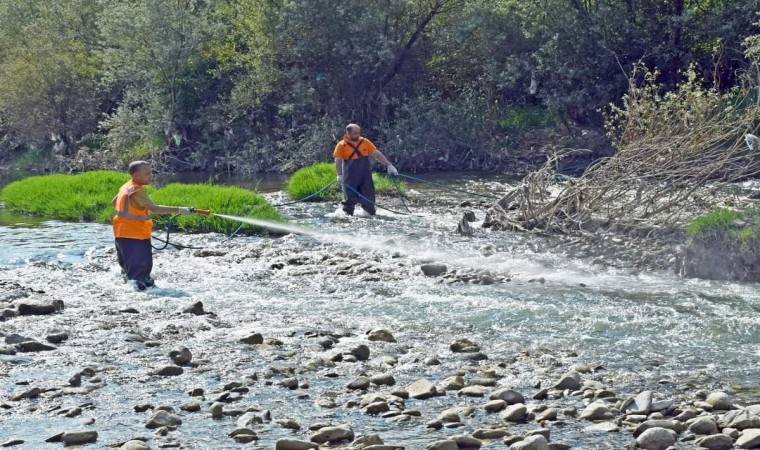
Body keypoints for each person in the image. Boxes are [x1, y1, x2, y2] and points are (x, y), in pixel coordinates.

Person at [112, 161, 194, 290]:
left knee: (128, 270)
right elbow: (155, 208)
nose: (151, 175)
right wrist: (180, 210)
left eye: (151, 172)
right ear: (136, 175)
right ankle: (144, 296)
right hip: (135, 237)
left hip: (121, 234)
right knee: (141, 272)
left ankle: (132, 292)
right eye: (147, 173)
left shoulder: (126, 187)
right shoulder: (137, 191)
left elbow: (114, 202)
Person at [333, 124, 398, 216]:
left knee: (369, 199)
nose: (358, 135)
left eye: (358, 133)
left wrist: (389, 165)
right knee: (349, 201)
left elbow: (376, 154)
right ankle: (347, 218)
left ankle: (370, 215)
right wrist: (339, 175)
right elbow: (338, 161)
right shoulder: (341, 145)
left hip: (365, 176)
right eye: (355, 133)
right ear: (348, 133)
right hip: (350, 177)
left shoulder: (365, 142)